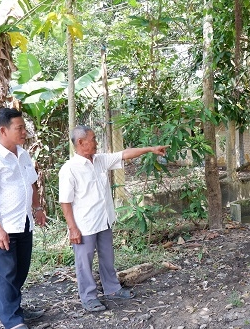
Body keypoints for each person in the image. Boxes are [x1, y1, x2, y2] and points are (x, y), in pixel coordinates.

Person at [58, 125, 169, 312]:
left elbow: (124, 154)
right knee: (84, 263)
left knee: (107, 258)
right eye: (93, 139)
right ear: (80, 142)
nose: (96, 142)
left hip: (104, 220)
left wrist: (150, 149)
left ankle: (112, 289)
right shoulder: (70, 169)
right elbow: (65, 202)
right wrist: (72, 228)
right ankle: (89, 297)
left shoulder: (99, 160)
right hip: (85, 225)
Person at [0, 108, 47, 329]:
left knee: (20, 272)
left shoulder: (22, 153)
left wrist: (38, 207)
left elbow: (31, 183)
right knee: (5, 276)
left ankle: (16, 309)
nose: (25, 132)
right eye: (19, 128)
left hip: (23, 223)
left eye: (24, 127)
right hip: (1, 227)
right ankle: (13, 322)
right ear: (3, 130)